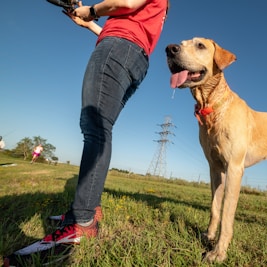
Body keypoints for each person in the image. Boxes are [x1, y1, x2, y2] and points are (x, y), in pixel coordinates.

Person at [11, 0, 169, 256]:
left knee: (95, 127)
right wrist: (89, 24)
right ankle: (86, 210)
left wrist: (93, 10)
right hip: (136, 57)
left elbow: (125, 3)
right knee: (101, 127)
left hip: (119, 48)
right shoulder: (159, 10)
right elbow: (126, 24)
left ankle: (81, 223)